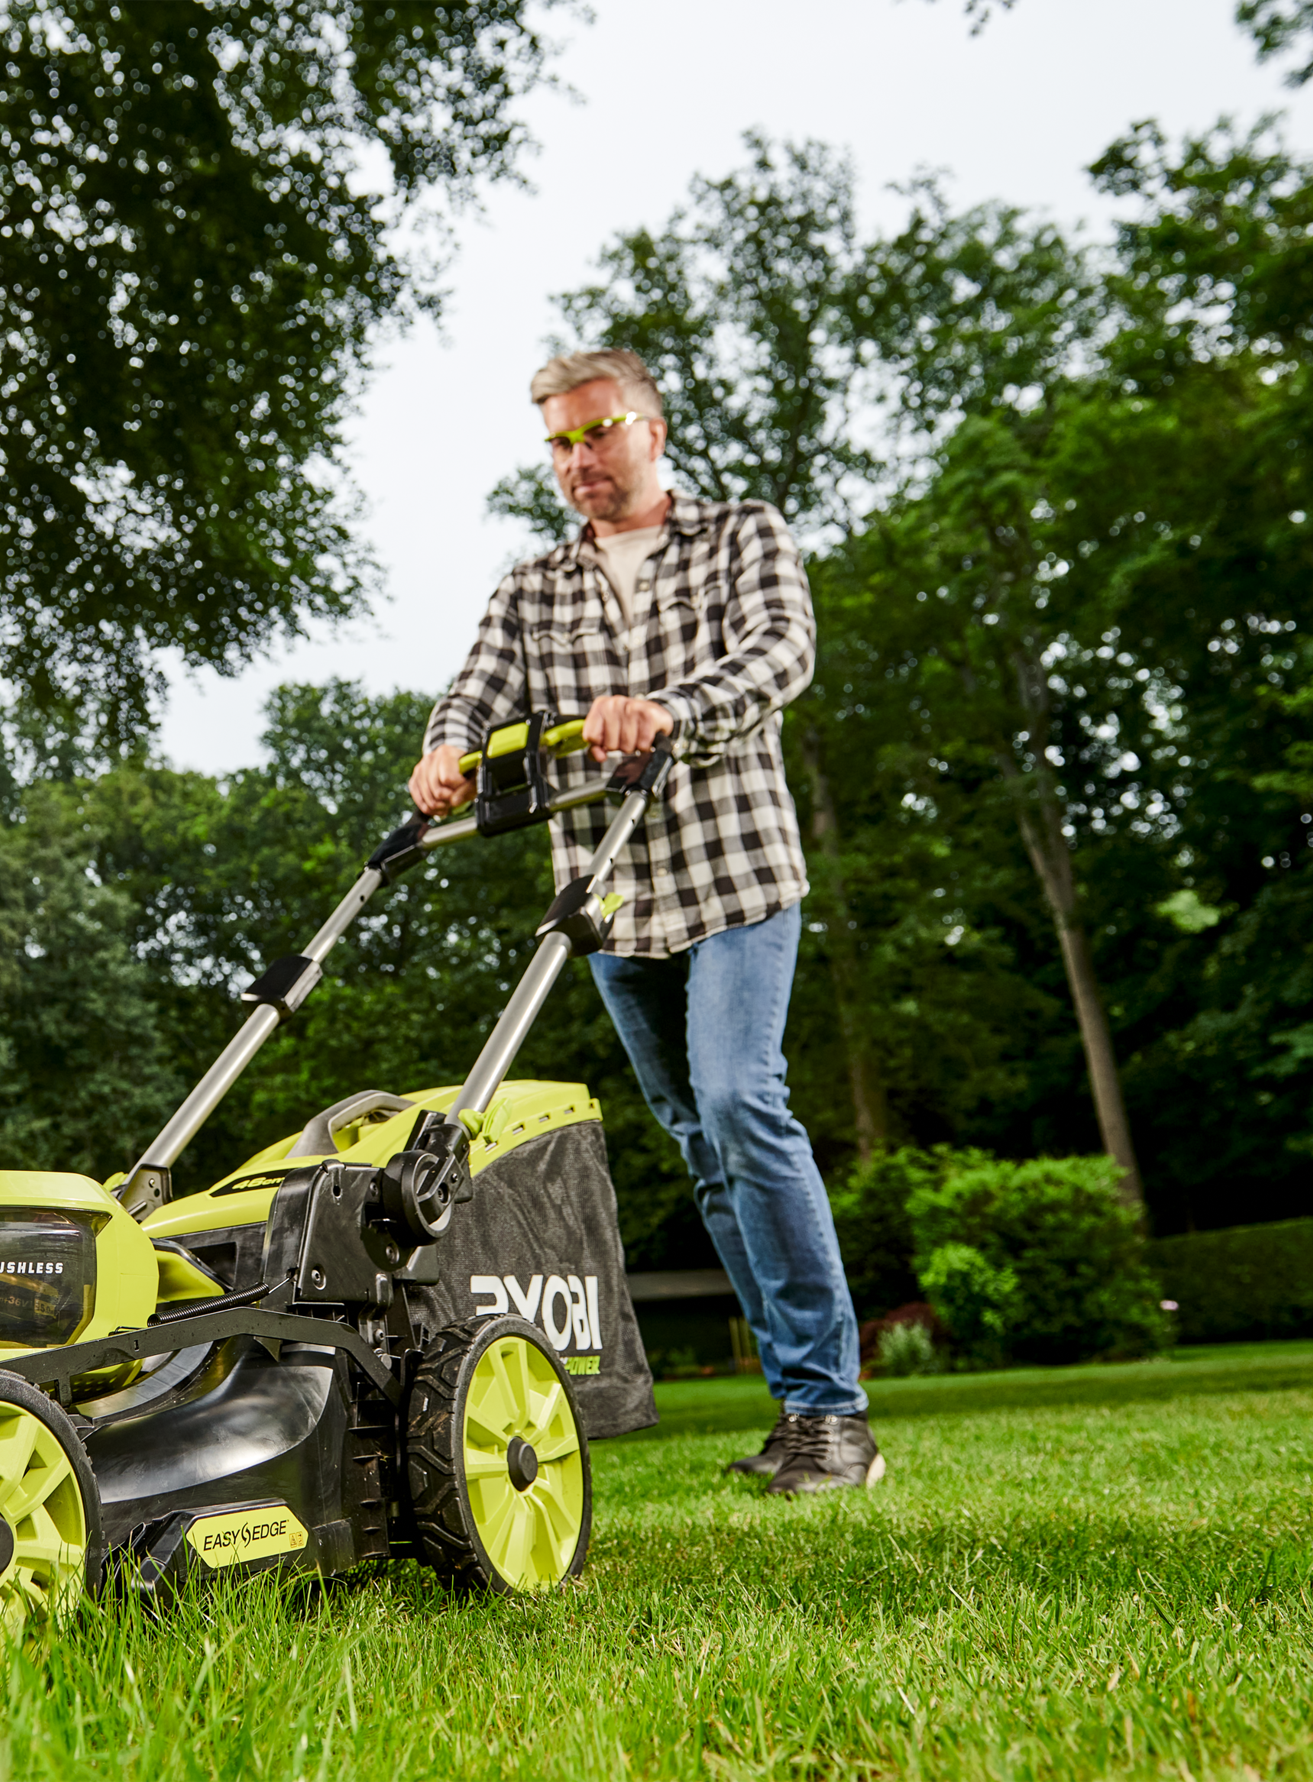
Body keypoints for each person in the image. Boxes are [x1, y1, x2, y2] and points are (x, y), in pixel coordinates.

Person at [408, 348, 882, 1494]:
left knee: (738, 1099)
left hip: (737, 874)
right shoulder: (532, 587)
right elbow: (475, 689)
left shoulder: (740, 534)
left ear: (651, 431)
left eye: (597, 433)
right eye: (559, 444)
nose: (579, 461)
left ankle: (834, 1415)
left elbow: (781, 652)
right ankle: (794, 1410)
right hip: (611, 902)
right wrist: (442, 750)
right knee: (702, 1152)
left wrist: (665, 708)